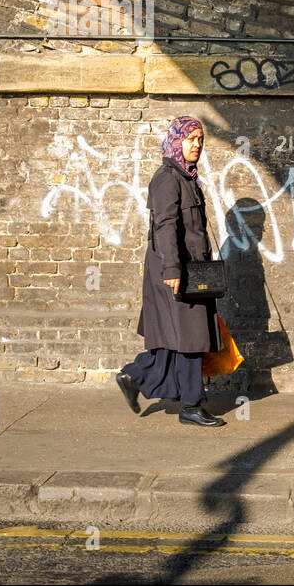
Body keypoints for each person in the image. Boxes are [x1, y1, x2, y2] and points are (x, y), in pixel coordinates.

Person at [116, 116, 226, 427]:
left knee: (176, 336)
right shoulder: (167, 178)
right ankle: (191, 404)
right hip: (173, 270)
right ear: (176, 141)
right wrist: (173, 269)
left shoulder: (188, 177)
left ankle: (135, 375)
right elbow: (164, 227)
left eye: (200, 139)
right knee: (190, 335)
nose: (197, 145)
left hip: (189, 268)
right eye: (191, 139)